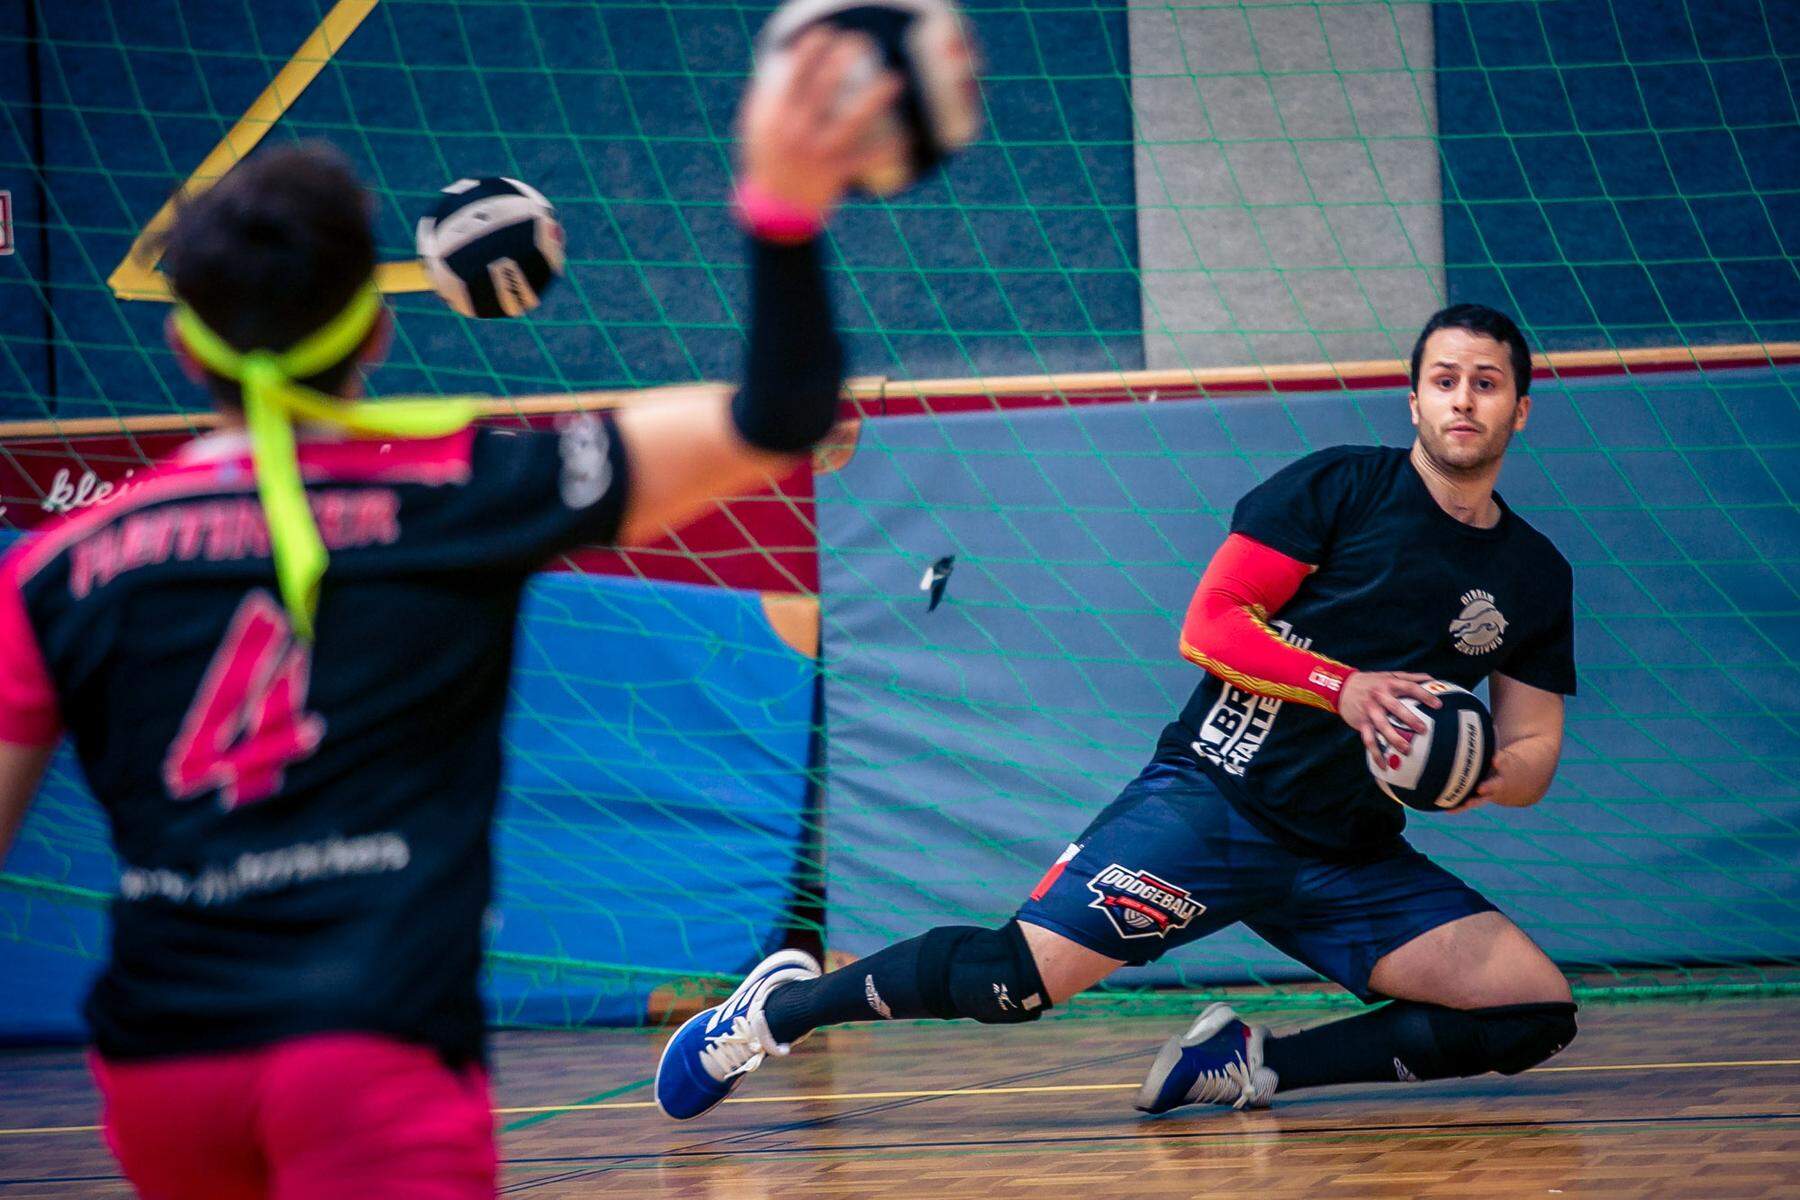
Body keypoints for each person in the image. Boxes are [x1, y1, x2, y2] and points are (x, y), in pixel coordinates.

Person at [0, 28, 899, 1199]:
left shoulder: (60, 566)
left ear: (181, 344)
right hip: (373, 1050)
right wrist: (783, 201)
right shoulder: (465, 492)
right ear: (374, 331)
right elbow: (784, 411)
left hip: (163, 1071)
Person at [656, 303, 1579, 1121]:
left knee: (1533, 1009)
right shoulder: (1340, 487)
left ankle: (1251, 1065)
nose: (1464, 400)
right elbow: (1210, 623)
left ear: (1520, 409)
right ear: (1413, 401)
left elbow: (1534, 747)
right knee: (1010, 981)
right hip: (1213, 804)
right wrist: (1348, 687)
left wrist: (1476, 772)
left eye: (1486, 384)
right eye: (1444, 380)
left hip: (1345, 849)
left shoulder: (1534, 576)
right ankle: (773, 1012)